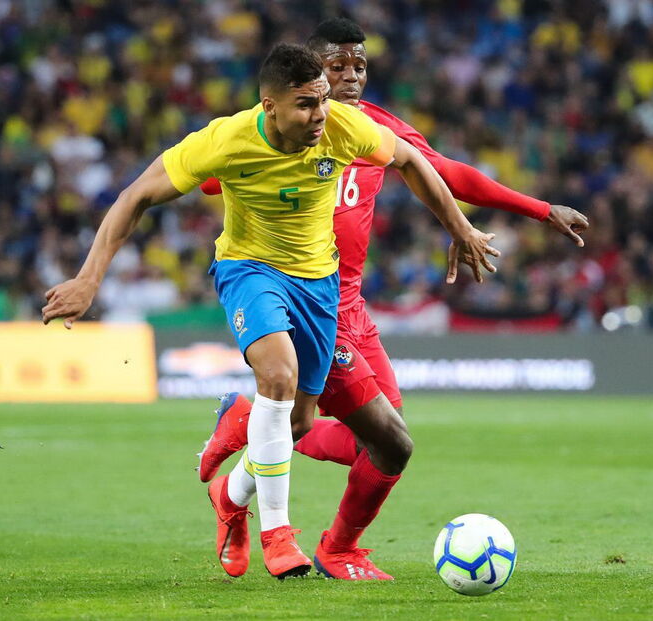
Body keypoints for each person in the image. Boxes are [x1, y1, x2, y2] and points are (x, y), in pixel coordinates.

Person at [41, 42, 500, 580]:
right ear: (269, 106)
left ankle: (230, 497)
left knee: (303, 423)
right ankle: (277, 535)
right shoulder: (226, 140)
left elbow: (410, 159)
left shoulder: (343, 128)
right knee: (278, 376)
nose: (320, 115)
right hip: (250, 271)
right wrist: (89, 277)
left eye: (324, 101)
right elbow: (135, 196)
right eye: (306, 104)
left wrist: (461, 227)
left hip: (318, 289)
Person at [197, 19, 589, 581]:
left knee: (376, 443)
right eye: (336, 67)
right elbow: (215, 178)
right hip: (300, 294)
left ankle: (247, 450)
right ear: (310, 74)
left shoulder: (374, 129)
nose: (351, 76)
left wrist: (539, 208)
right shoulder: (281, 131)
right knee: (378, 440)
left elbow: (446, 172)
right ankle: (330, 545)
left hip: (349, 304)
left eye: (359, 66)